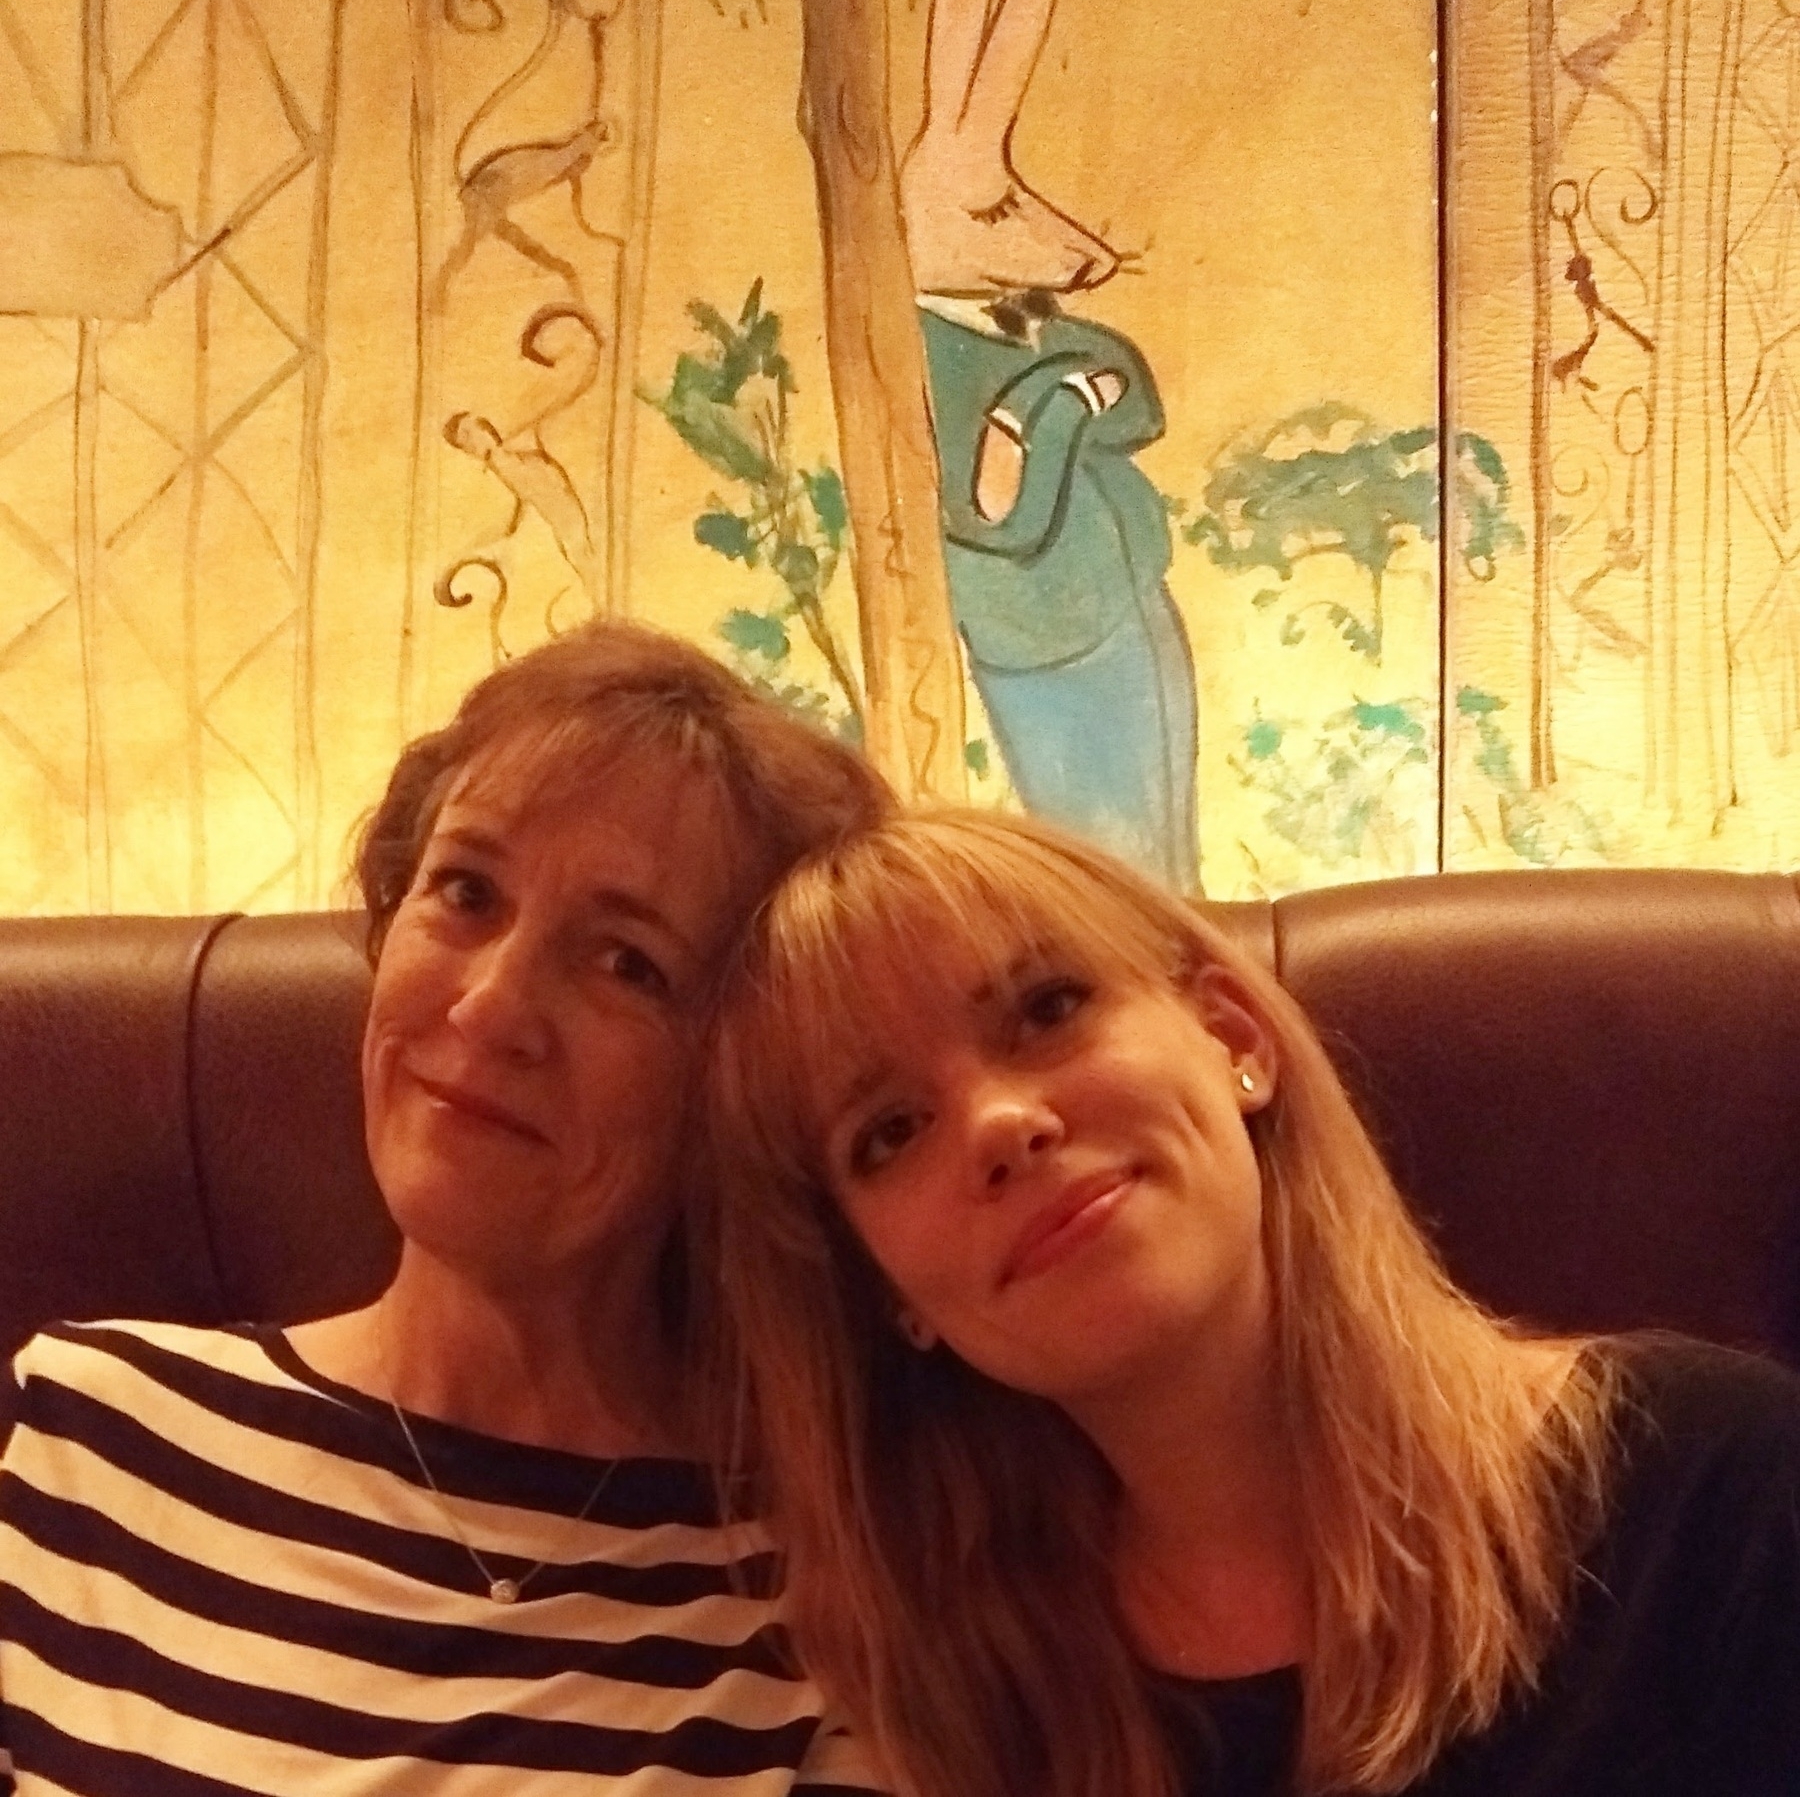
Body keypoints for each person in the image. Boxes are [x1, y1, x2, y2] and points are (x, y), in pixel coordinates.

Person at [696, 808, 1800, 1797]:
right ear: (890, 1297)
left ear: (1234, 1037)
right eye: (888, 1131)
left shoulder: (1719, 1484)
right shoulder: (953, 1698)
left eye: (1046, 1008)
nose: (998, 1122)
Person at [0, 622, 893, 1795]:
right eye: (466, 892)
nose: (488, 1007)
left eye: (626, 962)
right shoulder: (96, 1431)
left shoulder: (829, 1588)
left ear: (735, 1082)